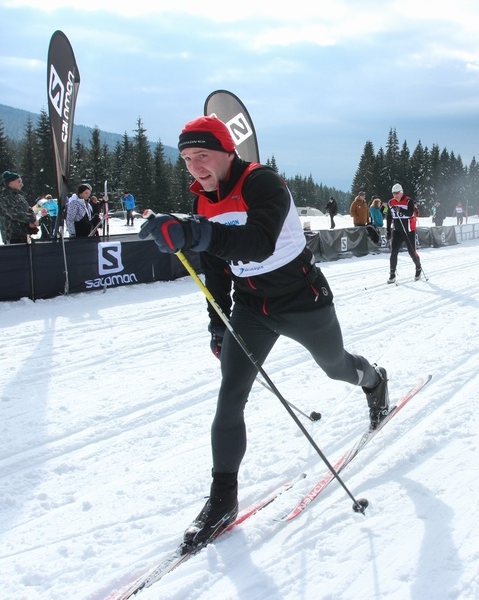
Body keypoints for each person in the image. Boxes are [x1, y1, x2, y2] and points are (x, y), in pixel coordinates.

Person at [138, 115, 390, 547]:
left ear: (226, 150)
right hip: (252, 309)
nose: (195, 166)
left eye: (202, 155)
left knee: (336, 367)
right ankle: (222, 499)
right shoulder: (202, 201)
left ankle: (374, 380)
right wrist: (218, 324)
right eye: (186, 158)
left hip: (302, 299)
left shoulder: (262, 182)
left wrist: (194, 233)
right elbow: (216, 268)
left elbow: (258, 243)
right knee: (230, 394)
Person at [387, 183, 423, 284]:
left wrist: (400, 209)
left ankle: (418, 267)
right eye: (394, 194)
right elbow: (389, 217)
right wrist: (388, 231)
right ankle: (392, 274)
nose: (395, 196)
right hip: (397, 231)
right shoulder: (391, 202)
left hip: (409, 231)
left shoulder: (408, 201)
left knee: (411, 252)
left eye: (397, 193)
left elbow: (411, 213)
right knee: (394, 252)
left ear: (401, 192)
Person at [0, 171, 38, 244]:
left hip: (24, 236)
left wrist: (32, 223)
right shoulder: (4, 197)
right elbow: (15, 214)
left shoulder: (19, 197)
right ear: (11, 182)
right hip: (12, 238)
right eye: (19, 181)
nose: (21, 184)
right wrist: (32, 219)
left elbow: (29, 210)